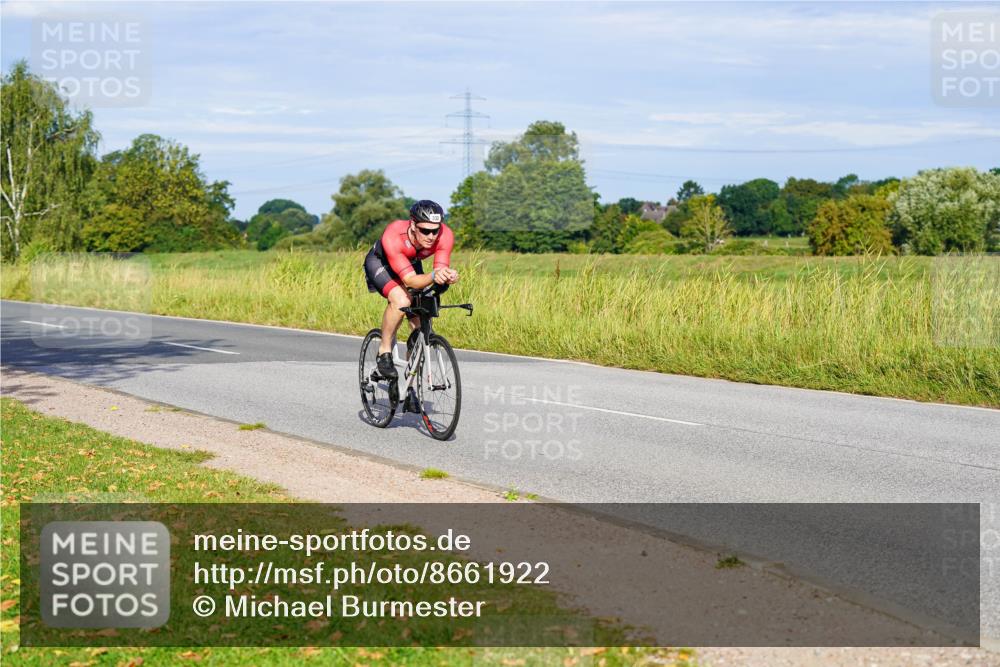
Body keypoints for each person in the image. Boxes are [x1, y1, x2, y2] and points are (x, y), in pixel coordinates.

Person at [363, 200, 459, 380]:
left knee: (421, 323)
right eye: (425, 230)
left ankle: (409, 388)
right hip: (381, 263)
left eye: (435, 230)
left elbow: (439, 270)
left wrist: (446, 276)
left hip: (410, 264)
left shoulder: (445, 235)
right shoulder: (394, 233)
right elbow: (410, 281)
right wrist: (433, 276)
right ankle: (384, 351)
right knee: (402, 300)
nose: (431, 236)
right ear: (413, 225)